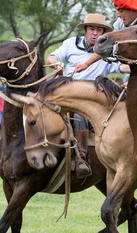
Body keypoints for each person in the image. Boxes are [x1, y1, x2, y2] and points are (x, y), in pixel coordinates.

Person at [48, 14, 124, 177]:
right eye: (92, 29)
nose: (95, 33)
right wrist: (56, 62)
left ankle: (81, 158)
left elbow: (122, 67)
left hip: (91, 102)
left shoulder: (106, 53)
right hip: (66, 93)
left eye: (99, 30)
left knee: (80, 116)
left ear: (103, 33)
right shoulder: (71, 44)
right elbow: (52, 56)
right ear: (85, 30)